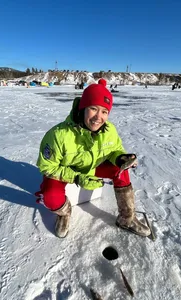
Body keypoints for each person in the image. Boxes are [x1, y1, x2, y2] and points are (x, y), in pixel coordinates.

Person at [35, 81, 151, 238]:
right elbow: (47, 166)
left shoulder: (109, 130)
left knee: (120, 170)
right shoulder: (58, 134)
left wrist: (120, 158)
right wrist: (76, 177)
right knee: (51, 196)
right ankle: (64, 213)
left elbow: (114, 150)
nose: (99, 117)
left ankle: (127, 218)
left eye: (104, 111)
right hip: (65, 171)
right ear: (83, 108)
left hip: (91, 166)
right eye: (93, 109)